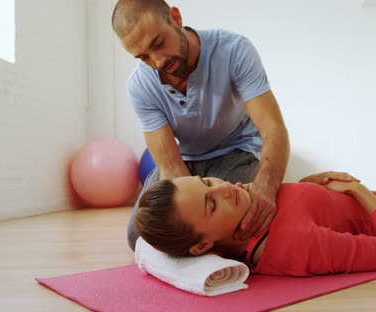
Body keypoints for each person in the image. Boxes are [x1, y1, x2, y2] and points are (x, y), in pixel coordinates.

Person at [111, 0, 291, 251]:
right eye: (143, 57)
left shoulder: (235, 51)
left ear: (175, 17)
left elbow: (273, 128)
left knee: (240, 227)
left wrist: (266, 189)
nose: (158, 61)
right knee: (140, 237)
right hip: (185, 163)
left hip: (236, 152)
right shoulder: (140, 86)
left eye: (158, 43)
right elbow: (170, 165)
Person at [134, 173, 376, 276]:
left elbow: (298, 204)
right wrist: (358, 190)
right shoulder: (292, 246)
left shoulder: (247, 212)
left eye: (208, 182)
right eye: (210, 202)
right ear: (202, 246)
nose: (225, 188)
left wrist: (315, 185)